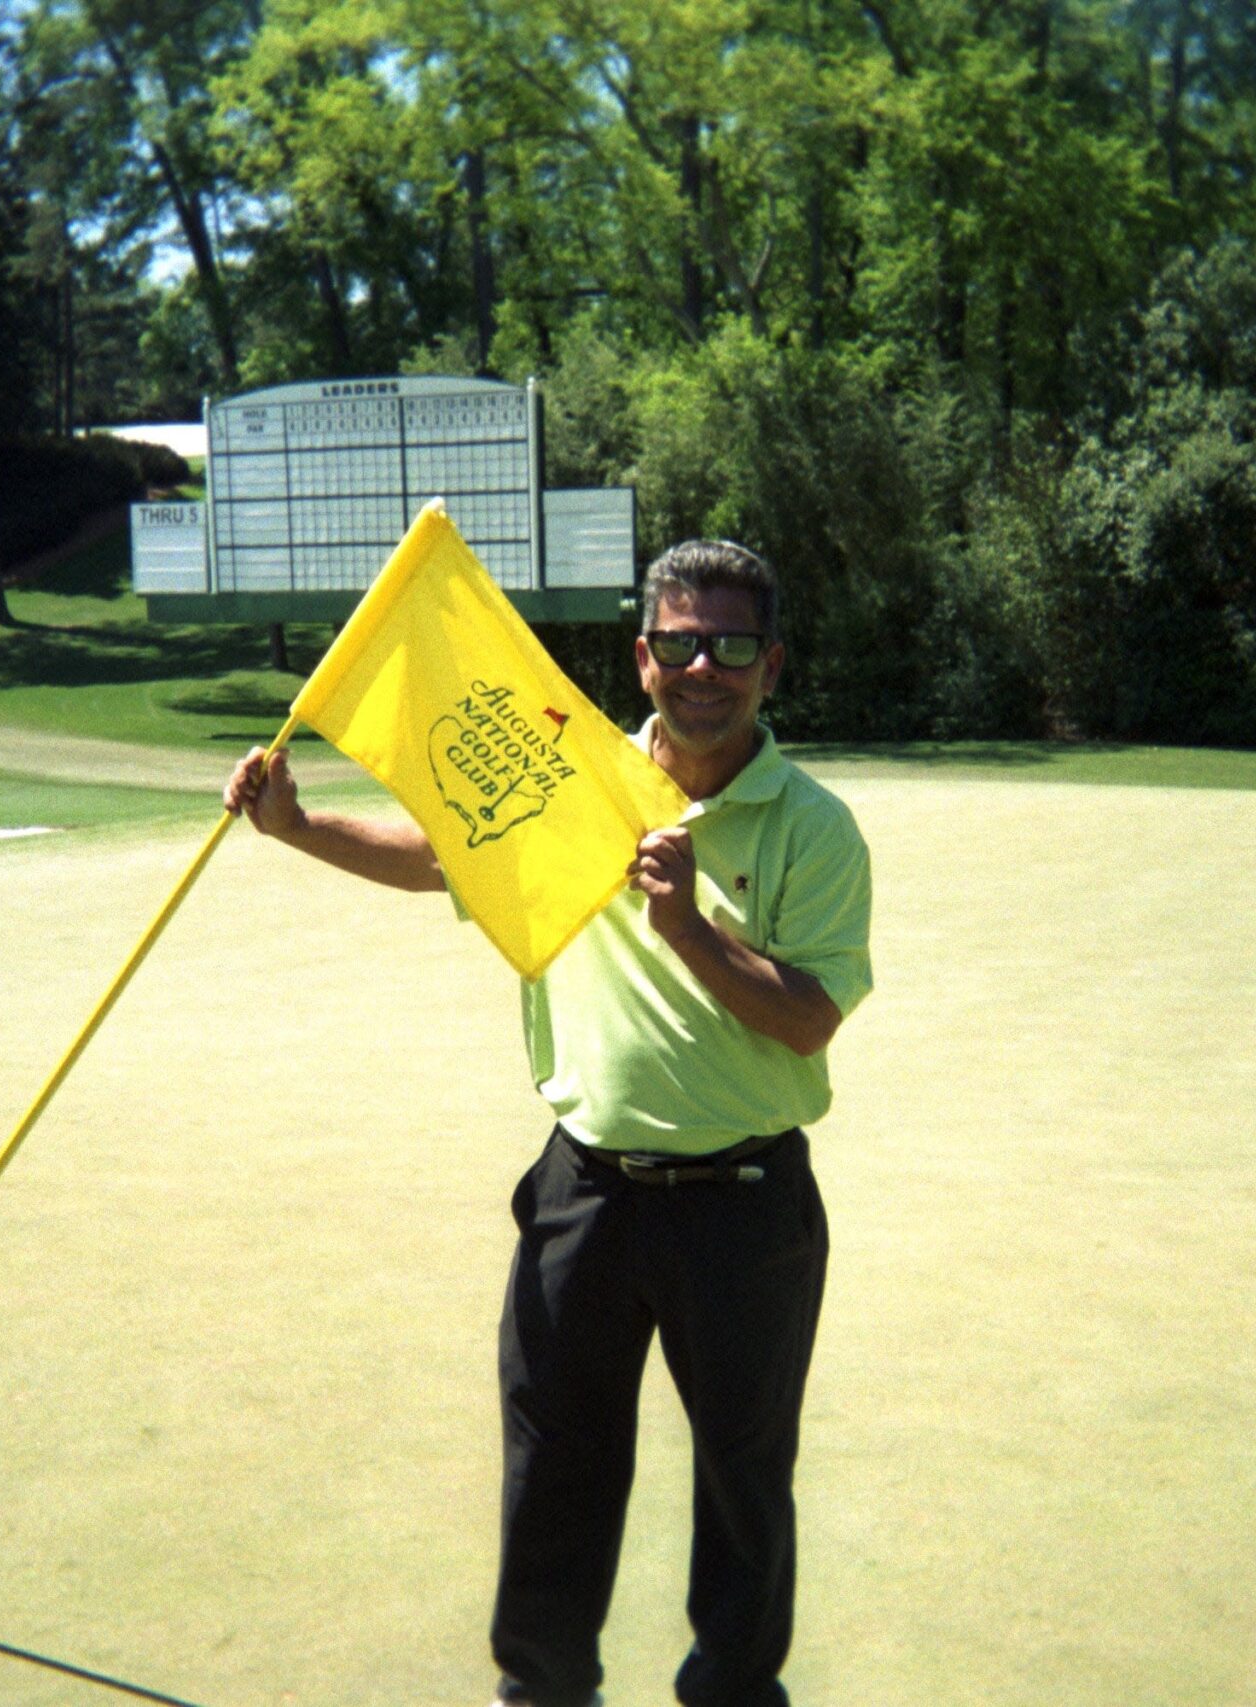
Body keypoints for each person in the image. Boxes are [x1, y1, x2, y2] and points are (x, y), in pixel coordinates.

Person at [223, 540, 873, 1707]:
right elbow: (440, 857)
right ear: (642, 658)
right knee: (555, 1462)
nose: (701, 668)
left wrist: (685, 927)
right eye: (677, 643)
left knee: (743, 1475)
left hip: (744, 1209)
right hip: (586, 1193)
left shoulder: (813, 827)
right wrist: (298, 826)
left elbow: (809, 1018)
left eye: (729, 646)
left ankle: (730, 1689)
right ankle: (542, 1689)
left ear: (770, 665)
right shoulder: (575, 781)